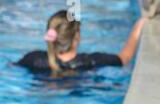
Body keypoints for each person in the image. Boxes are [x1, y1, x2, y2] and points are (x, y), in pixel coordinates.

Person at [17, 10, 147, 73]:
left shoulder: (33, 59)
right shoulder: (91, 61)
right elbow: (124, 57)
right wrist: (138, 27)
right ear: (76, 37)